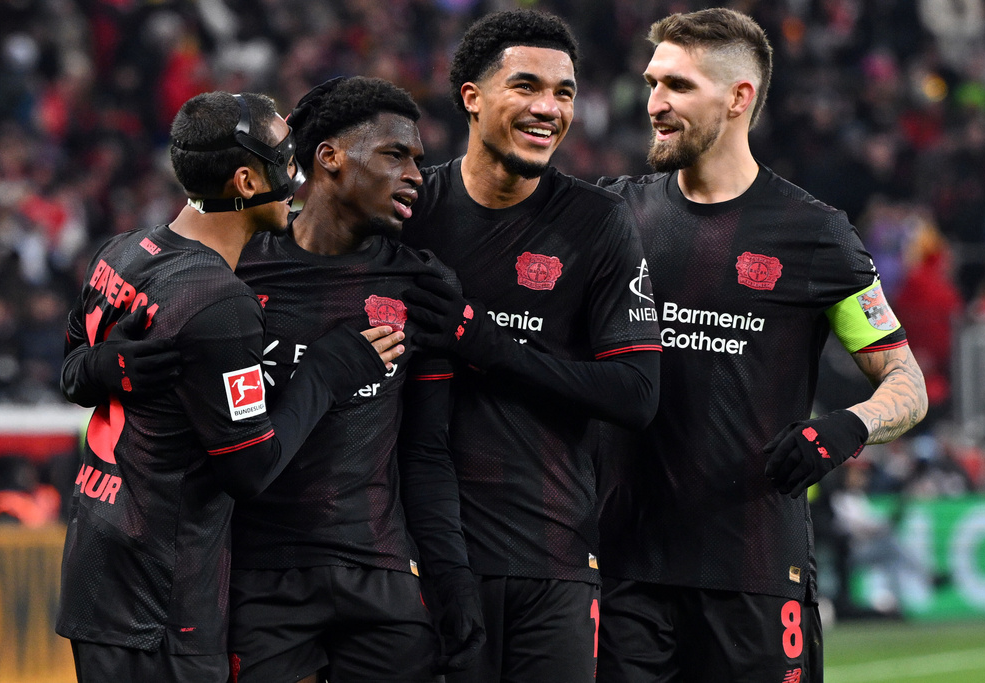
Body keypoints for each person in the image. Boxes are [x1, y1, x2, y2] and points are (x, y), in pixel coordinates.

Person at [594, 8, 928, 683]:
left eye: (679, 87)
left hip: (752, 572)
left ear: (739, 97)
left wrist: (848, 424)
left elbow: (906, 382)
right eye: (653, 82)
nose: (654, 103)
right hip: (626, 575)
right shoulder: (612, 215)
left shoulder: (816, 234)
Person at [55, 91, 404, 683]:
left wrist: (106, 368)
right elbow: (250, 468)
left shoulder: (123, 252)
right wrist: (328, 371)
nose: (296, 178)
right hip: (161, 597)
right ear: (245, 179)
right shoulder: (220, 303)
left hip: (97, 572)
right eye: (285, 162)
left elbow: (70, 372)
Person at [399, 10, 663, 683]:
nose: (549, 108)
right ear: (472, 97)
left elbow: (637, 394)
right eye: (526, 86)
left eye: (565, 92)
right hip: (422, 556)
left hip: (554, 559)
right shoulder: (409, 212)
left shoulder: (597, 223)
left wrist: (484, 344)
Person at [226, 76, 481, 683]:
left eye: (419, 160)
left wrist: (452, 580)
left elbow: (425, 452)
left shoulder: (423, 285)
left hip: (382, 579)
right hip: (261, 580)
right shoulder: (237, 269)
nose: (417, 175)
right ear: (330, 157)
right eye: (396, 155)